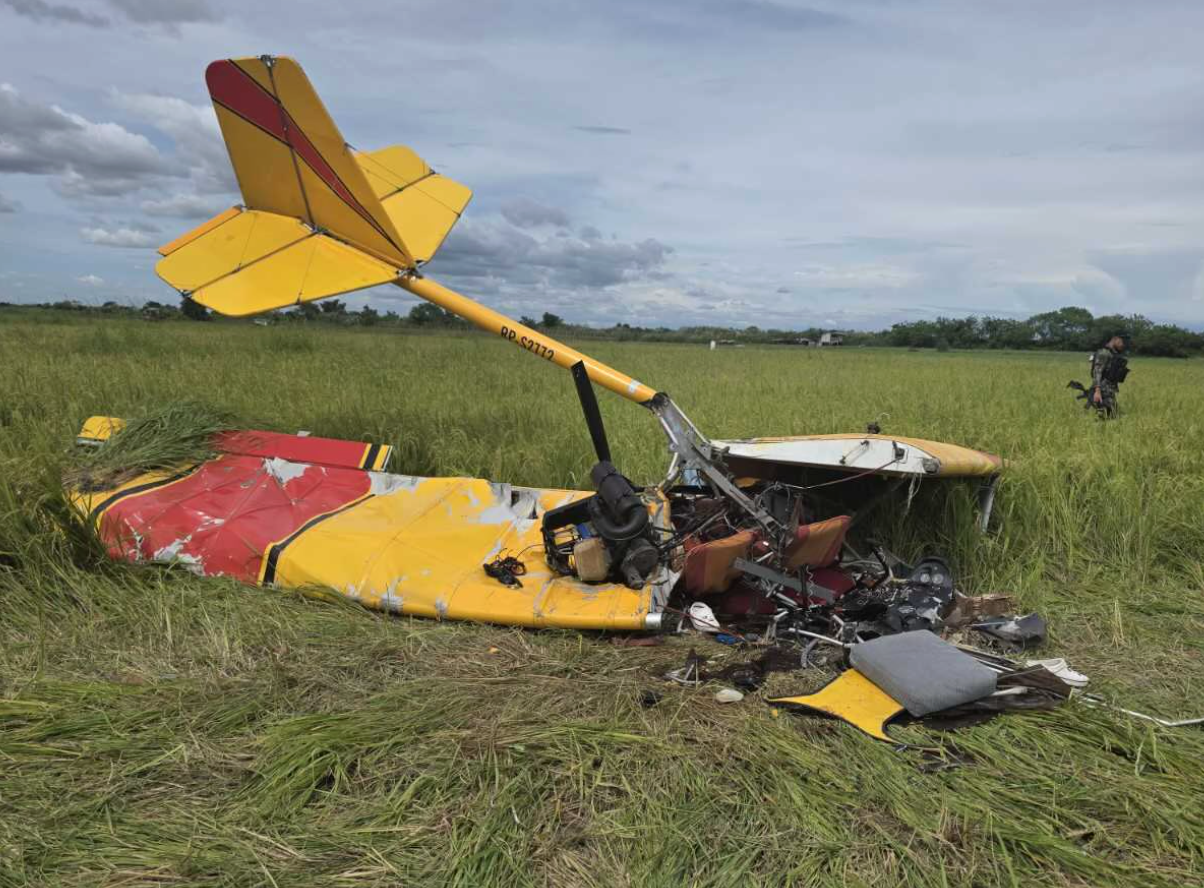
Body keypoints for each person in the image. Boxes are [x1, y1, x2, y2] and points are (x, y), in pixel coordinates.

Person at [1089, 335, 1129, 418]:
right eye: (1120, 342)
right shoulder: (1104, 353)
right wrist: (1097, 390)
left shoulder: (1111, 354)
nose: (1122, 345)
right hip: (1102, 389)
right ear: (1114, 340)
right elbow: (1097, 371)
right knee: (1109, 416)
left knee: (1112, 415)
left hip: (1108, 389)